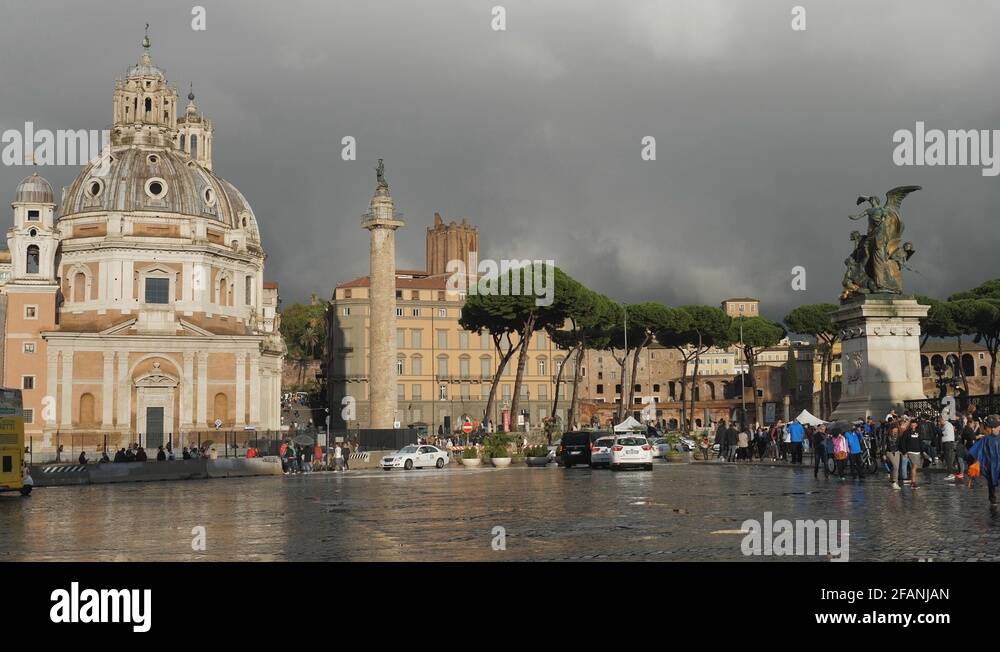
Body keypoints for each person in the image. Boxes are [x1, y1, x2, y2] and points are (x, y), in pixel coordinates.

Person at [966, 414, 1000, 508]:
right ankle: (992, 499)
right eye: (991, 427)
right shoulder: (985, 439)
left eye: (995, 427)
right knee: (991, 482)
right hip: (990, 465)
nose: (993, 429)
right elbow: (977, 451)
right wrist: (976, 463)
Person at [900, 418, 922, 489]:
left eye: (914, 423)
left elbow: (920, 442)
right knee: (914, 467)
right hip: (910, 451)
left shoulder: (919, 432)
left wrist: (922, 451)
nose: (913, 425)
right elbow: (903, 442)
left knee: (914, 467)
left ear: (916, 425)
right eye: (912, 423)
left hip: (917, 452)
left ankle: (912, 481)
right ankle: (913, 482)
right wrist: (905, 451)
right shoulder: (907, 432)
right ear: (910, 425)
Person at [884, 423, 903, 489]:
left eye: (896, 430)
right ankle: (895, 482)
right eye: (894, 430)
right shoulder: (887, 435)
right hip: (889, 452)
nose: (895, 431)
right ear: (891, 430)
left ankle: (892, 480)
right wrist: (883, 454)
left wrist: (902, 451)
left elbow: (900, 444)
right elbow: (883, 445)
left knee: (895, 467)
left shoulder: (899, 435)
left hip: (897, 452)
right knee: (895, 466)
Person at [940, 415, 957, 481]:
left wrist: (940, 430)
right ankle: (950, 473)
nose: (940, 422)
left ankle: (951, 474)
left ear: (943, 419)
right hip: (948, 443)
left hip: (948, 443)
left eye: (940, 420)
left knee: (948, 459)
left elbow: (943, 433)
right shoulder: (948, 425)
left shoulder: (947, 425)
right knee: (949, 459)